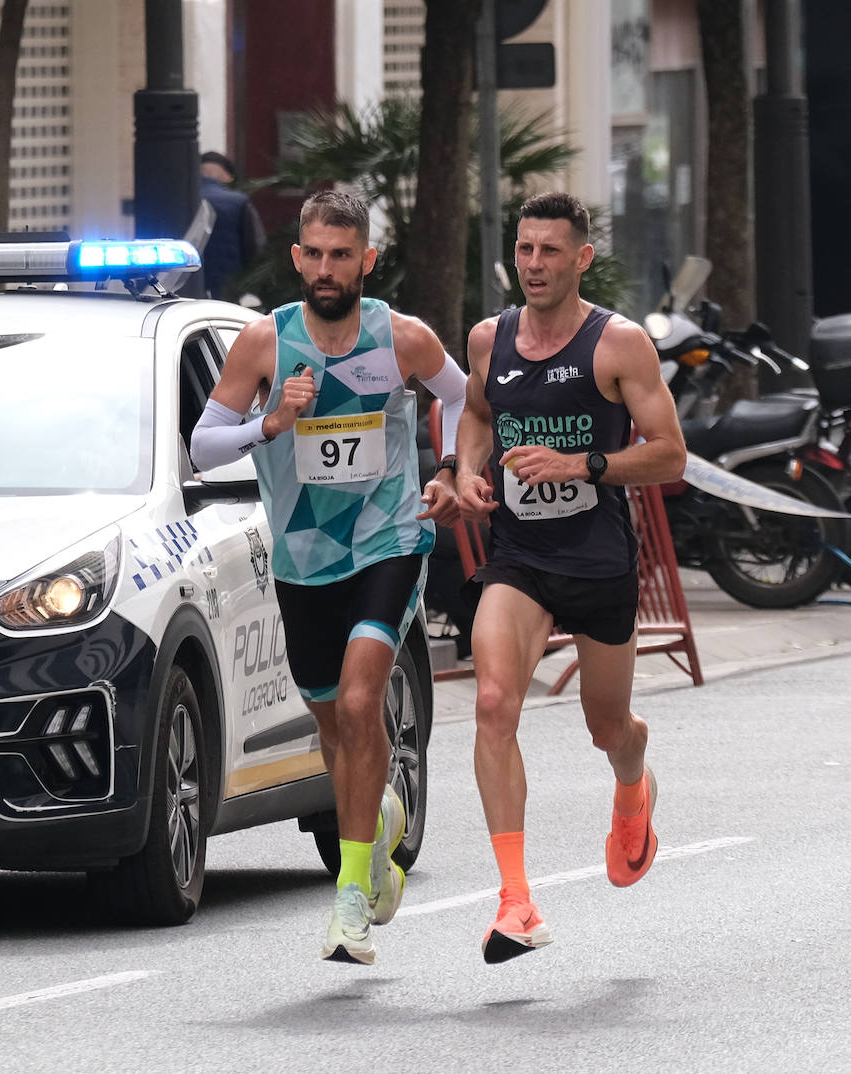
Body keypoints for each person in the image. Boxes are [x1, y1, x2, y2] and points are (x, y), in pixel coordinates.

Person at [190, 190, 466, 964]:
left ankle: (348, 900)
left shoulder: (401, 338)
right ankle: (372, 821)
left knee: (359, 698)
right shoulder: (263, 344)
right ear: (297, 257)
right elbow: (204, 446)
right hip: (302, 561)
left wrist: (446, 469)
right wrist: (270, 423)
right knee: (332, 725)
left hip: (388, 541)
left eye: (342, 255)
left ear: (366, 262)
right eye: (313, 253)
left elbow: (462, 398)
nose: (325, 268)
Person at [453, 191, 687, 964]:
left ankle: (632, 778)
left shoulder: (617, 345)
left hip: (598, 561)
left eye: (550, 251)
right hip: (519, 560)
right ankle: (516, 902)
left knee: (606, 727)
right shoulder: (491, 338)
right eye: (524, 249)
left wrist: (583, 463)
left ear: (581, 258)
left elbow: (670, 454)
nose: (534, 264)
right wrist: (467, 474)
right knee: (492, 703)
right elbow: (480, 414)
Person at [198, 151, 267, 299]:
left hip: (187, 290)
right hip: (227, 289)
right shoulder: (239, 201)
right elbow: (256, 247)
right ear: (228, 177)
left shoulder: (181, 198)